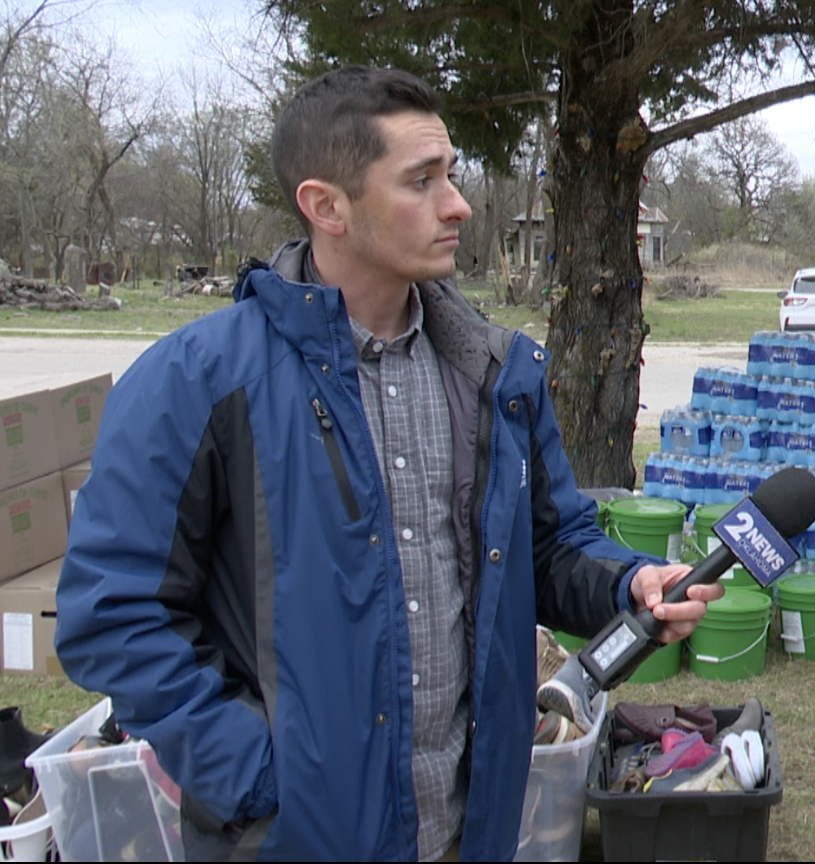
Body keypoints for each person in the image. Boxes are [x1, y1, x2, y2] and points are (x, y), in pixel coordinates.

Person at [54, 64, 721, 862]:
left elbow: (545, 548)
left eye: (453, 175)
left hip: (468, 832)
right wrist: (258, 783)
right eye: (422, 181)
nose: (458, 205)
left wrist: (626, 582)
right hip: (288, 840)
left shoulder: (496, 373)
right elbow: (114, 614)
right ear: (325, 206)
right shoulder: (194, 383)